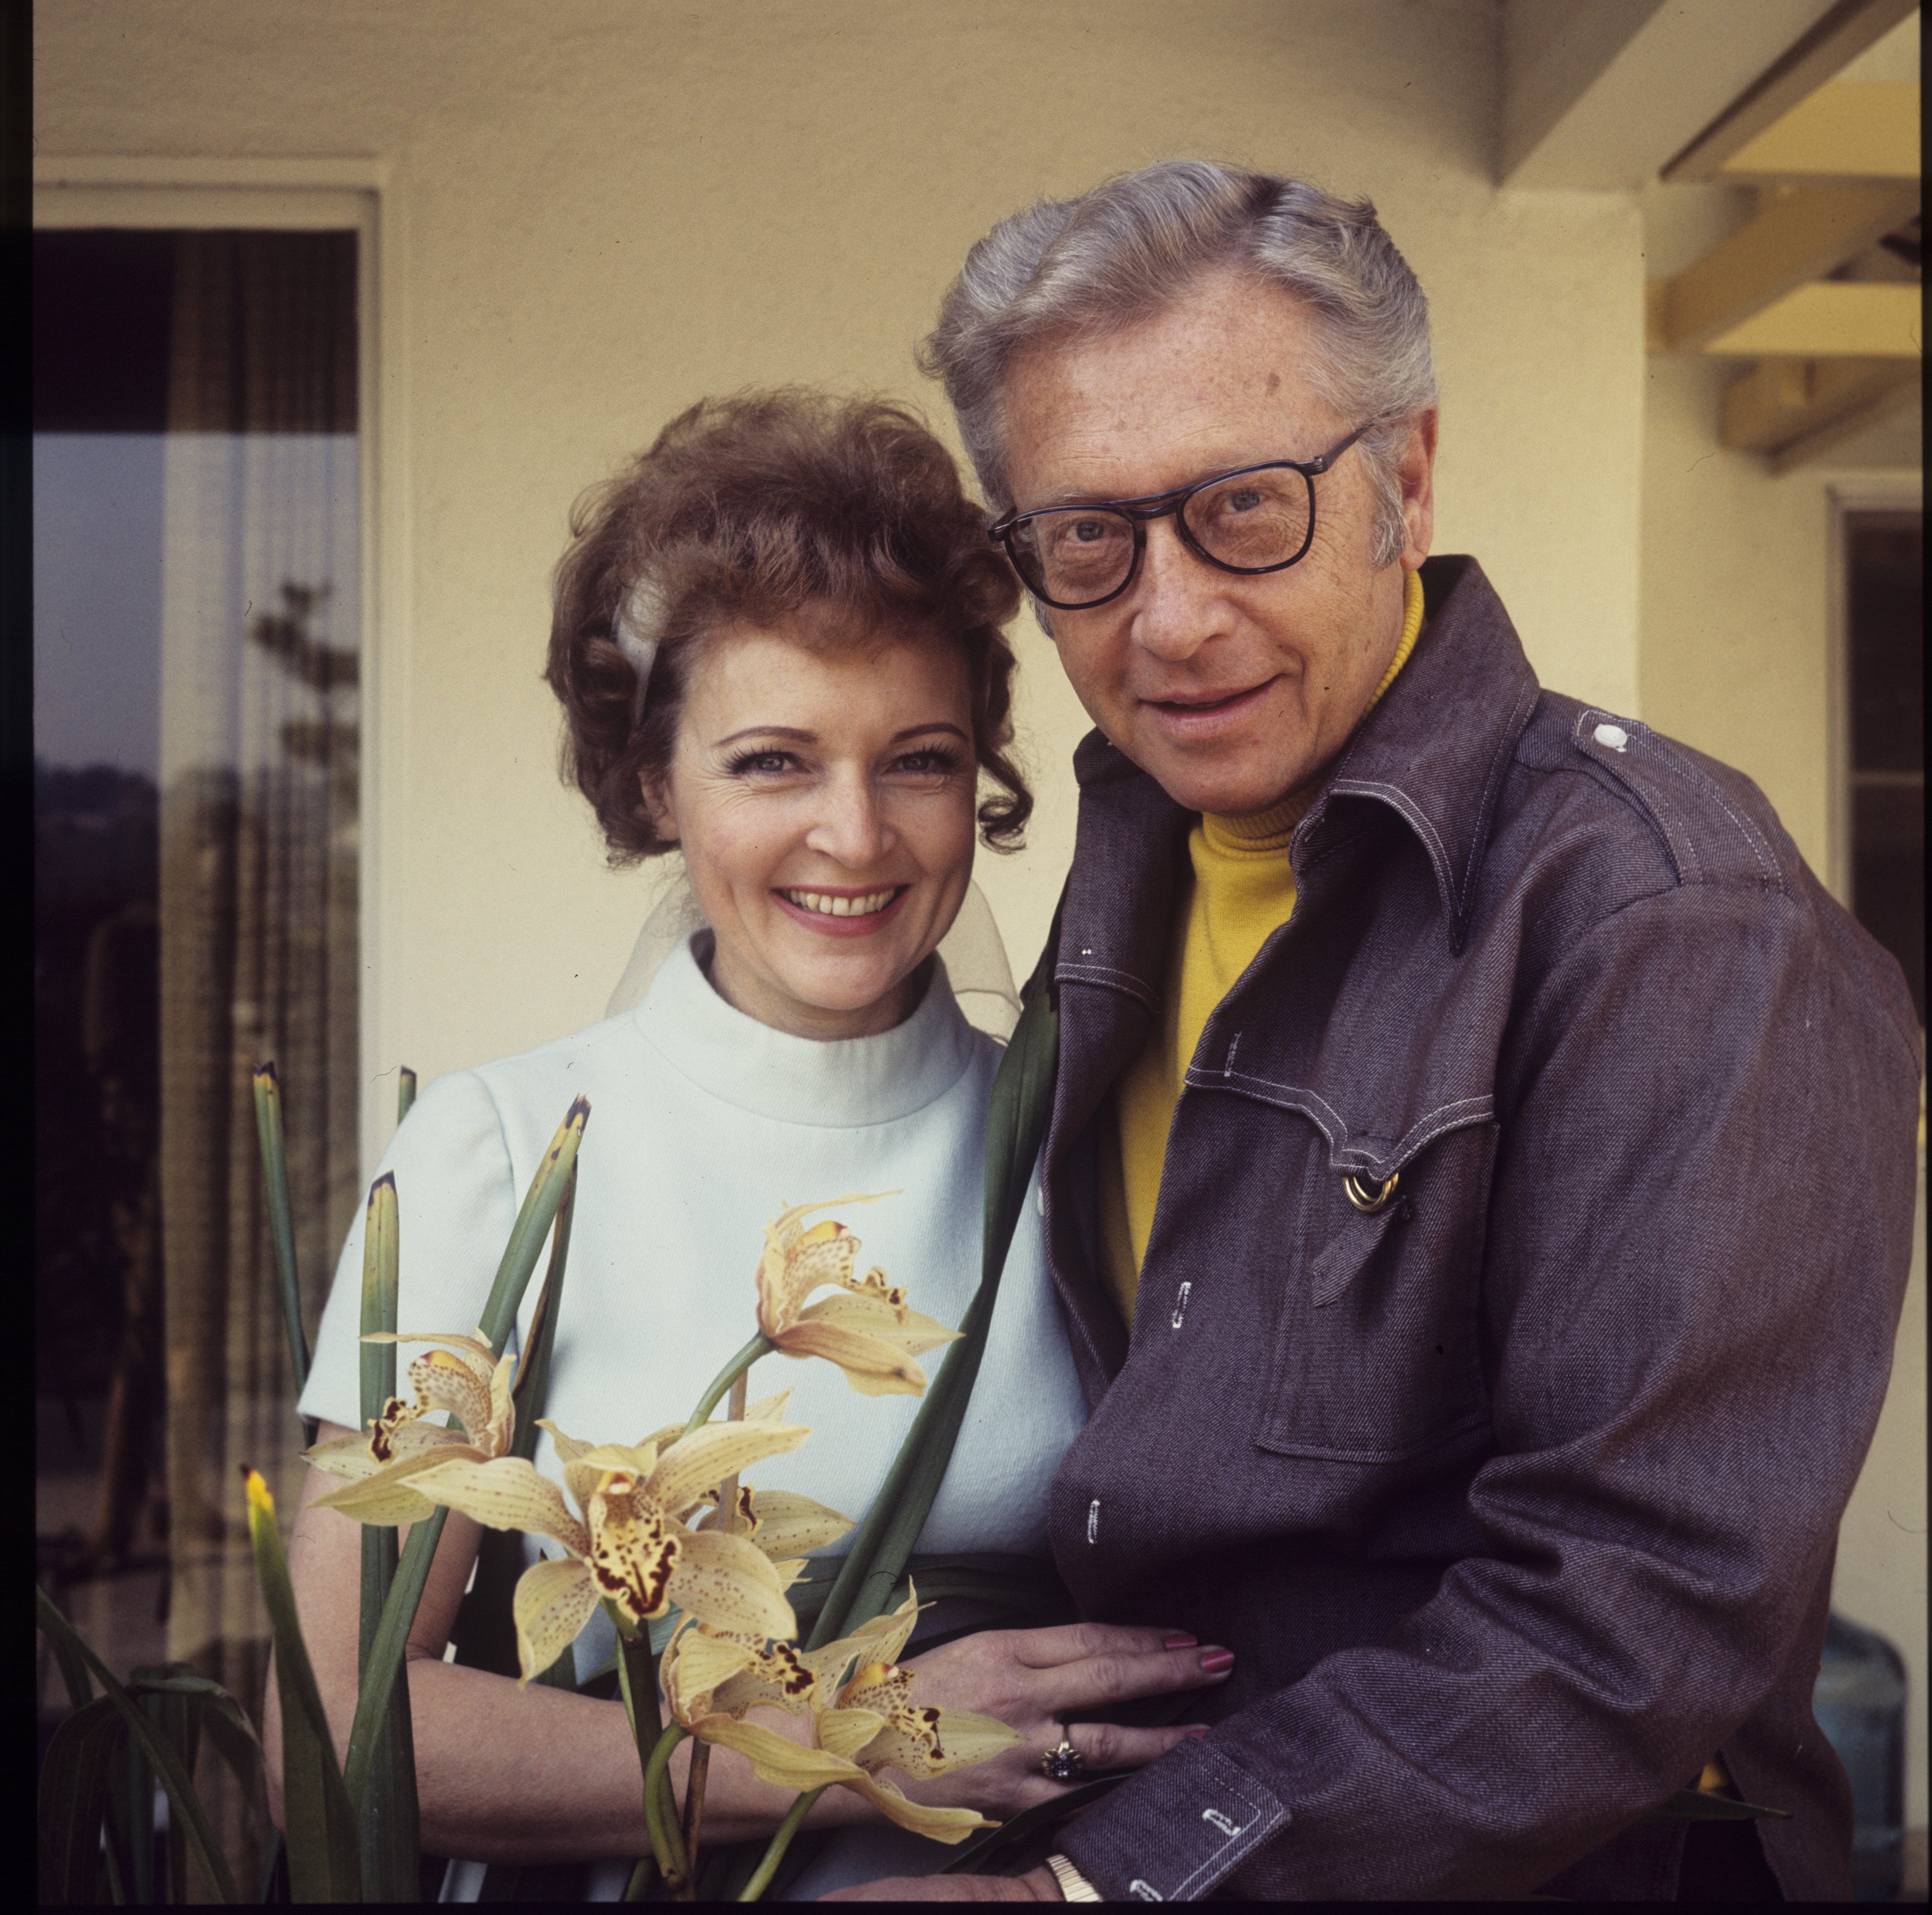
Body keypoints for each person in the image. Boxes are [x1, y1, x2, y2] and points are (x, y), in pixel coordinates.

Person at [825, 163, 1923, 1902]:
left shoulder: (1667, 915)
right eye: (1087, 541)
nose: (1168, 621)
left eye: (1245, 508)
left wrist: (1089, 1889)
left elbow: (1636, 1611)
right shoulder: (1137, 865)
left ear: (1403, 482)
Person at [268, 391, 1227, 1898]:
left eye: (913, 759)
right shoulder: (501, 1154)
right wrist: (849, 1742)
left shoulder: (1080, 1147)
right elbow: (321, 1725)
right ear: (655, 784)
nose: (854, 837)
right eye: (774, 761)